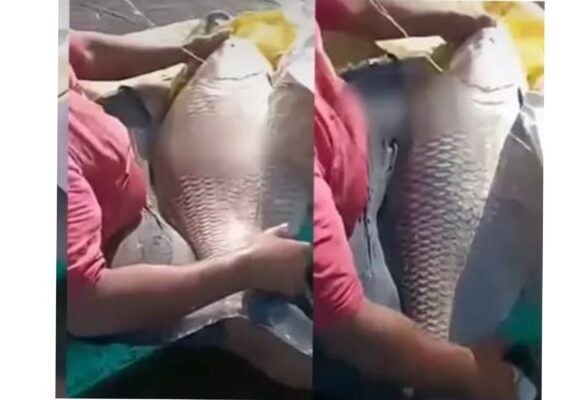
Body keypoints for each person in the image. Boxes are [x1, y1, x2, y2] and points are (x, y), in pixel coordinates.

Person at [313, 1, 517, 399]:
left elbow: (355, 8)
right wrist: (480, 377)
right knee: (376, 354)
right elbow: (345, 320)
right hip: (333, 209)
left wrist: (468, 22)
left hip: (346, 131)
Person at [67, 28, 310, 338]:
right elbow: (85, 308)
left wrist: (184, 51)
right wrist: (245, 268)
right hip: (113, 237)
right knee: (222, 313)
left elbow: (82, 50)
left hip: (111, 166)